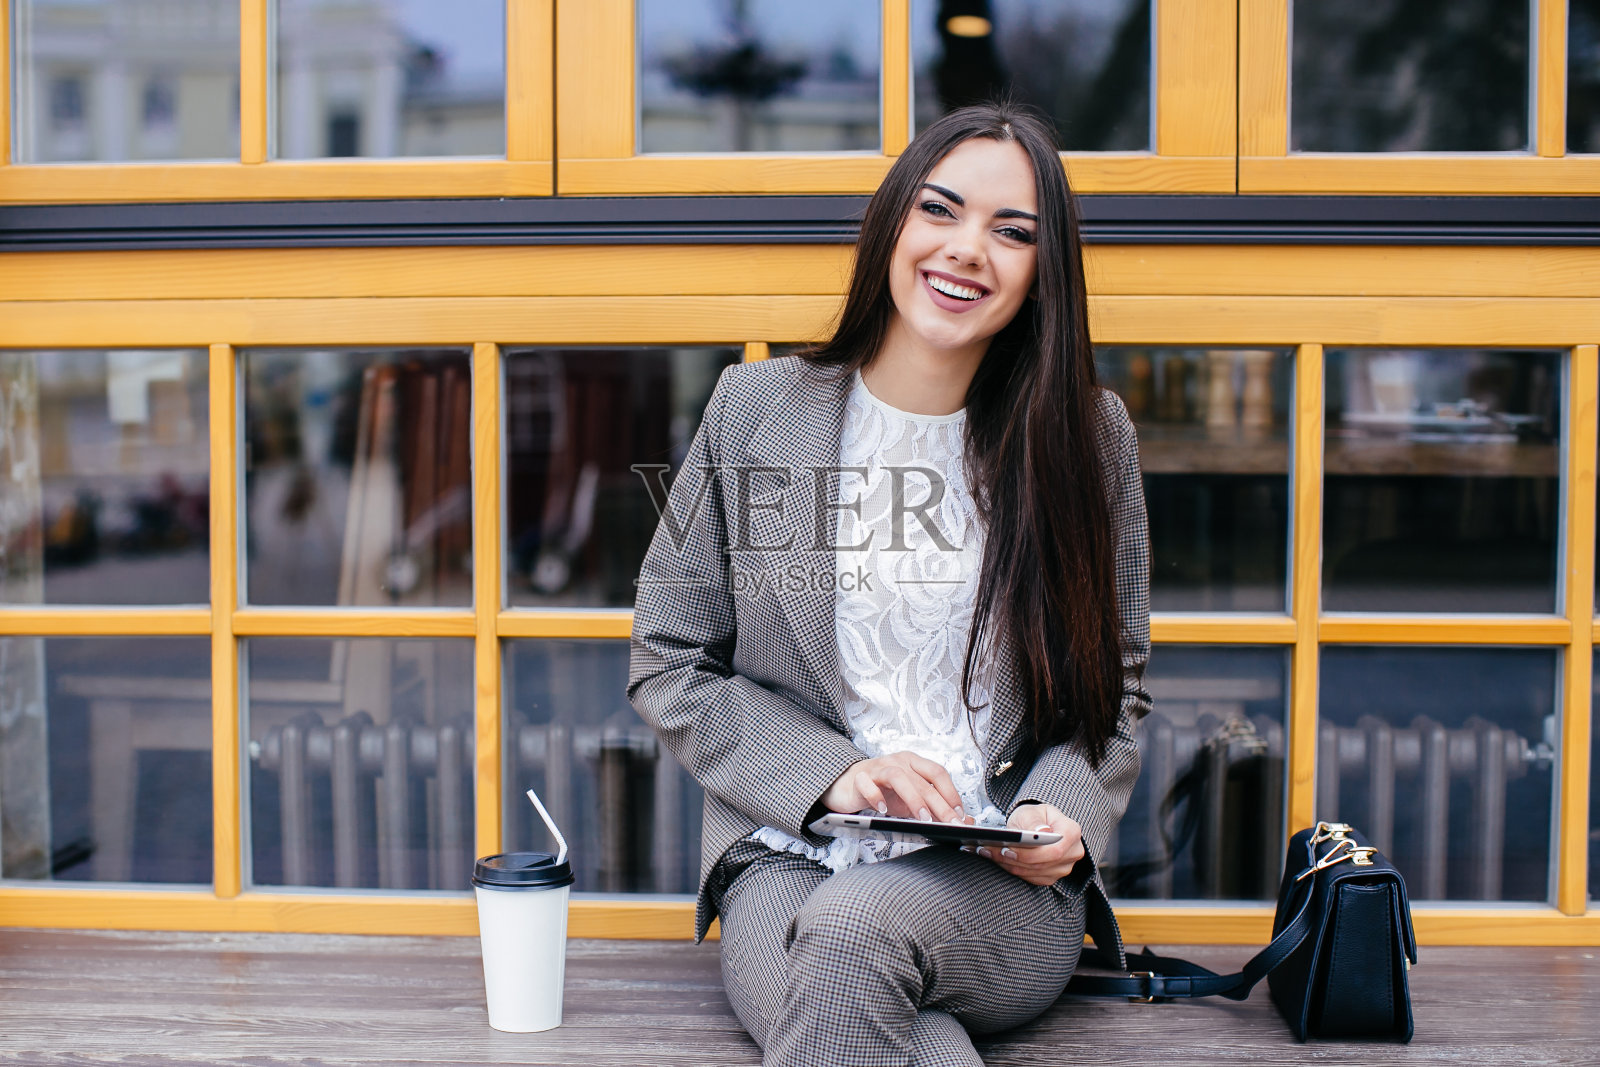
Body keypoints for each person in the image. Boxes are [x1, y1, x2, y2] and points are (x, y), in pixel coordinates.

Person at [628, 101, 1152, 1067]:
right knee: (916, 1040)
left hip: (997, 880)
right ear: (894, 222)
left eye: (1012, 232)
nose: (965, 250)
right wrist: (835, 774)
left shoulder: (1084, 436)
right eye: (940, 210)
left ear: (1044, 274)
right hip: (787, 855)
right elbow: (669, 660)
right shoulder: (759, 413)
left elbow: (1111, 688)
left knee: (859, 930)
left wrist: (1059, 813)